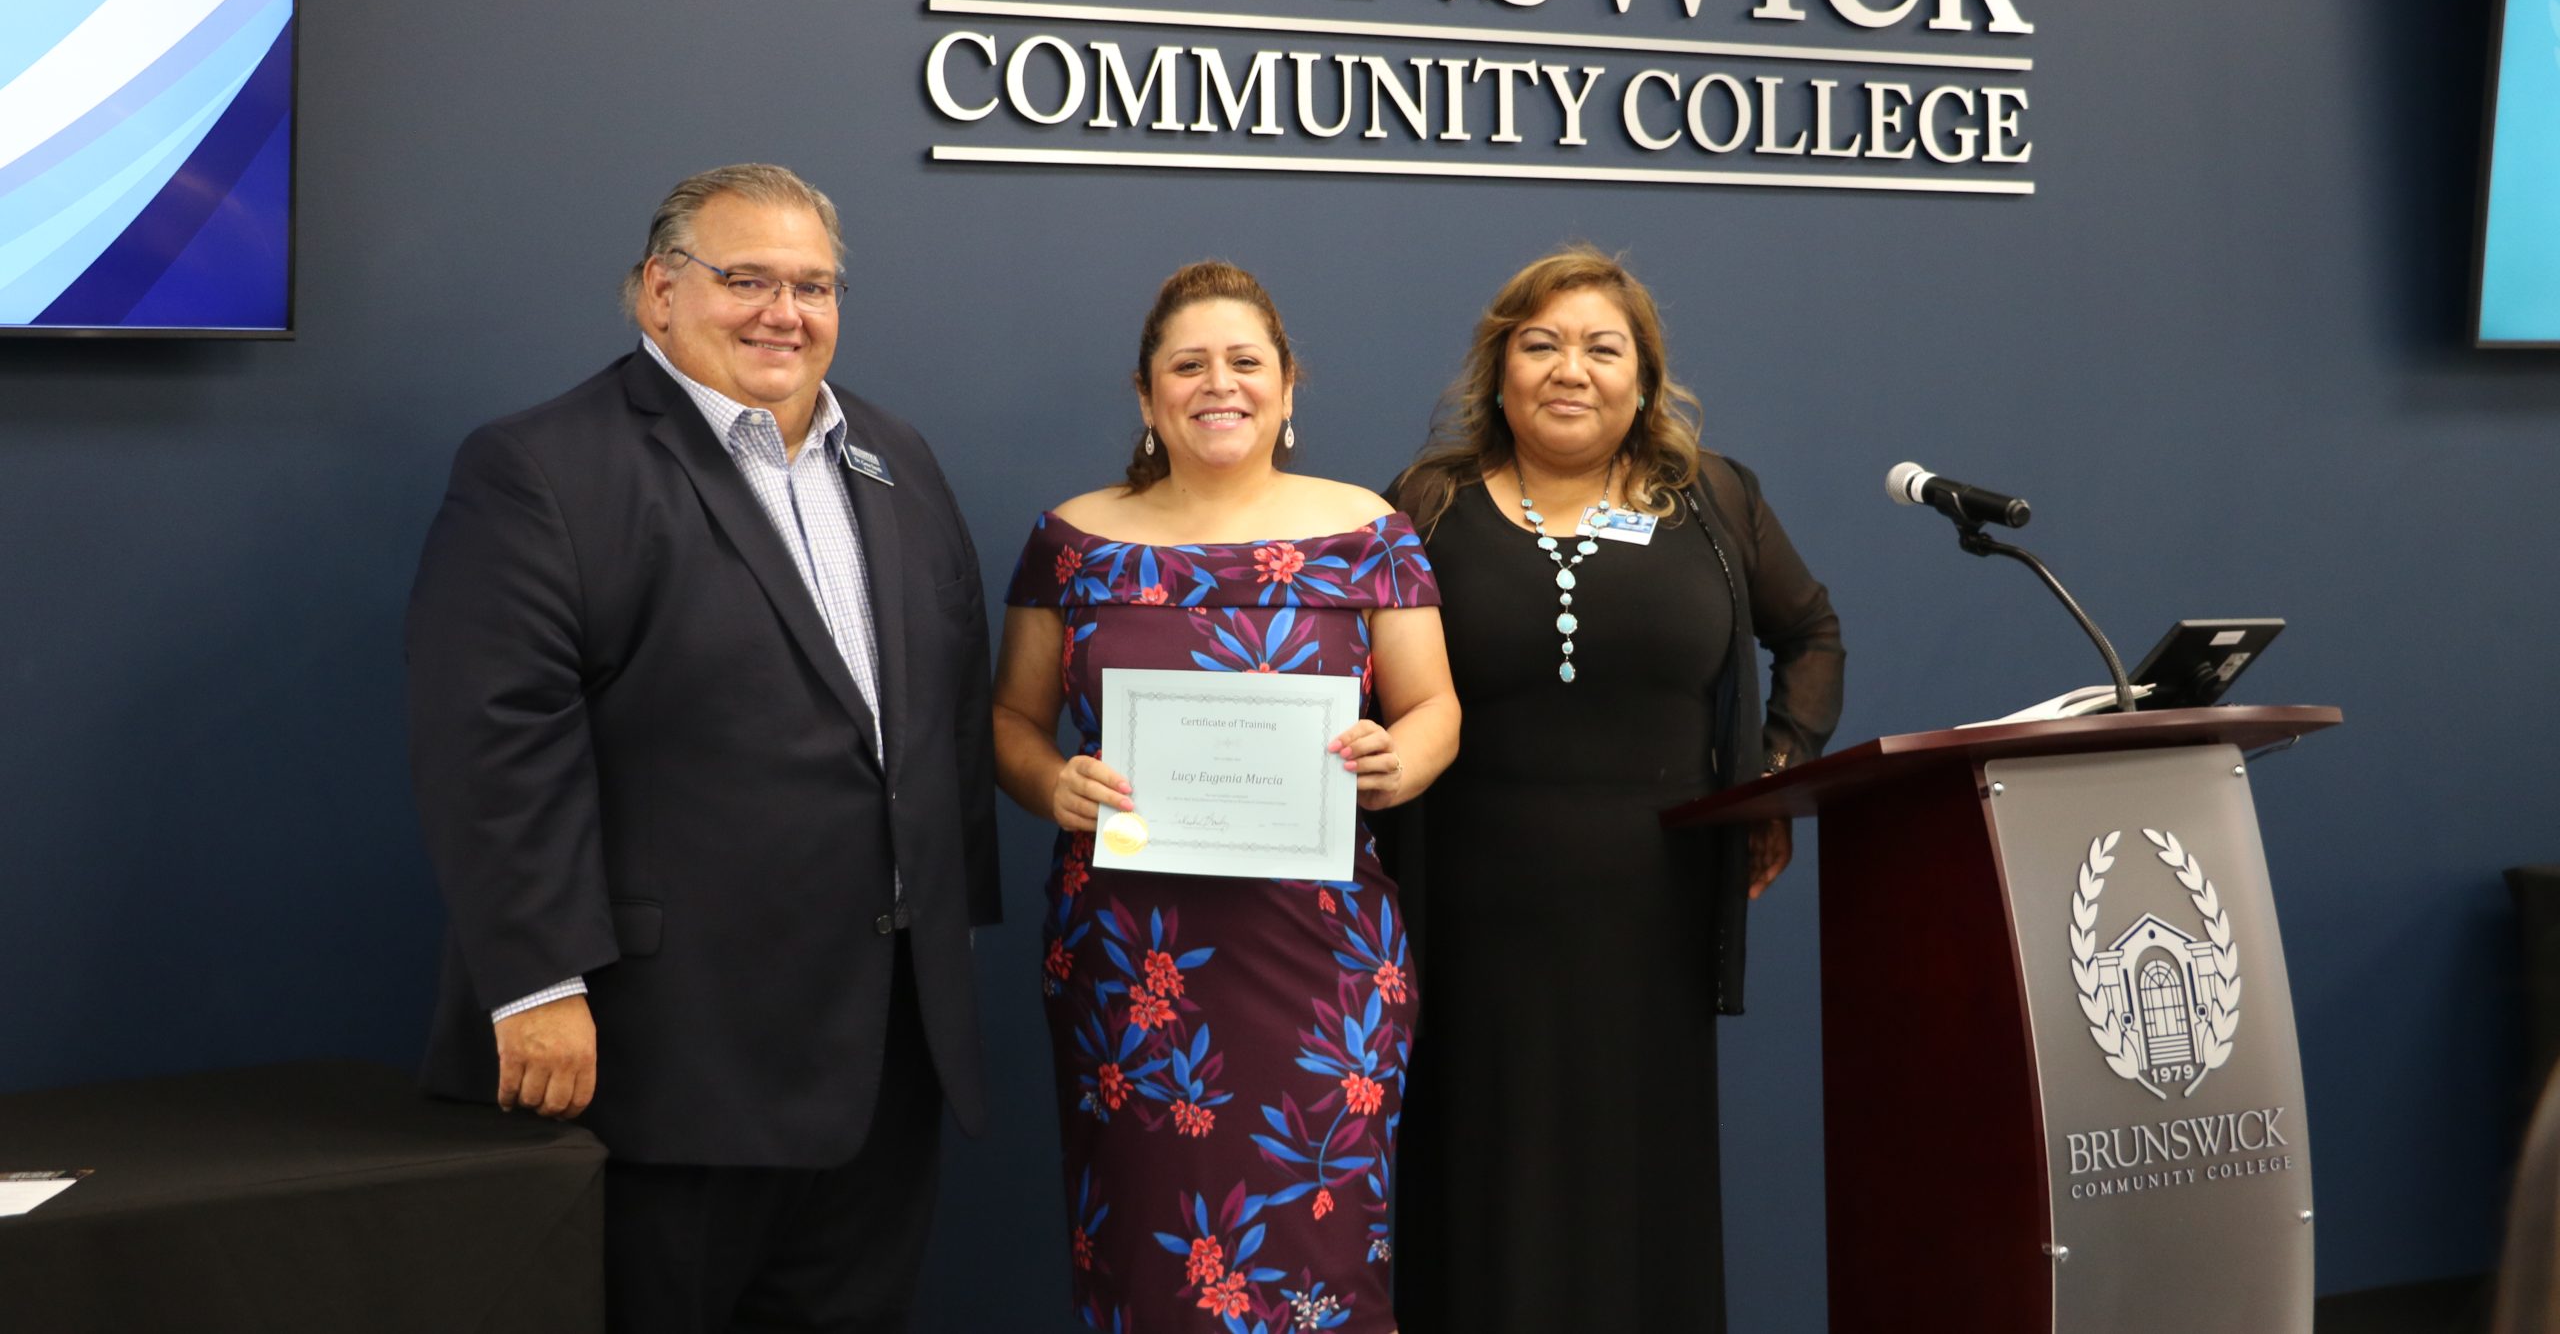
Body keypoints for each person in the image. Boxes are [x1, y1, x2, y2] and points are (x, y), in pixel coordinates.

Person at [406, 163, 1000, 1334]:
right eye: (746, 279)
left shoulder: (895, 457)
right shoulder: (543, 468)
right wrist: (535, 979)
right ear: (655, 294)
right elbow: (493, 740)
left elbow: (935, 708)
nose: (785, 312)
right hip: (671, 1056)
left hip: (883, 1048)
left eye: (813, 286)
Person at [992, 261, 1460, 1334]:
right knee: (1149, 1258)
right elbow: (1011, 727)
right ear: (1147, 394)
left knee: (1321, 1256)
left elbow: (1437, 706)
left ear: (1289, 388)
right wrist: (1050, 781)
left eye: (1246, 363)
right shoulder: (1071, 542)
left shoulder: (1369, 534)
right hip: (1130, 962)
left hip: (1320, 957)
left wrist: (1406, 756)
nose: (1221, 384)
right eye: (1188, 364)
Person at [1386, 246, 1844, 1334]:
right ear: (1496, 371)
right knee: (1483, 1182)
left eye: (1602, 346)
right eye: (1539, 344)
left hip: (1657, 912)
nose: (1569, 369)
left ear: (1643, 378)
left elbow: (1811, 634)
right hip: (1471, 917)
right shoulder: (1422, 506)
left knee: (1641, 1184)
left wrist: (1770, 779)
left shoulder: (1713, 501)